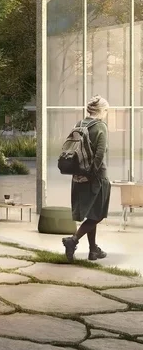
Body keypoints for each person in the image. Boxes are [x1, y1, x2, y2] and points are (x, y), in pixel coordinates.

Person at [64, 96, 111, 262]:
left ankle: (93, 250)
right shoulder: (100, 126)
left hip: (78, 175)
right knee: (97, 215)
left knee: (92, 213)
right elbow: (100, 153)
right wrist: (92, 173)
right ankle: (73, 240)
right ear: (102, 111)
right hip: (96, 177)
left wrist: (83, 172)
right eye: (106, 110)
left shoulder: (80, 124)